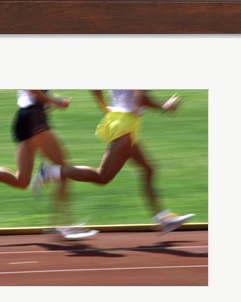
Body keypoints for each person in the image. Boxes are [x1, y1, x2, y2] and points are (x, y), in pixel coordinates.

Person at [33, 90, 194, 233]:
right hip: (126, 125)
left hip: (121, 121)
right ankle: (50, 171)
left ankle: (162, 218)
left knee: (148, 169)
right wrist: (164, 107)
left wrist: (104, 108)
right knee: (102, 176)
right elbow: (140, 98)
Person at [0, 90, 98, 239]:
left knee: (21, 181)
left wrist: (54, 100)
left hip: (24, 118)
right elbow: (34, 92)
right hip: (34, 118)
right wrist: (55, 102)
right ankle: (63, 223)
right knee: (63, 171)